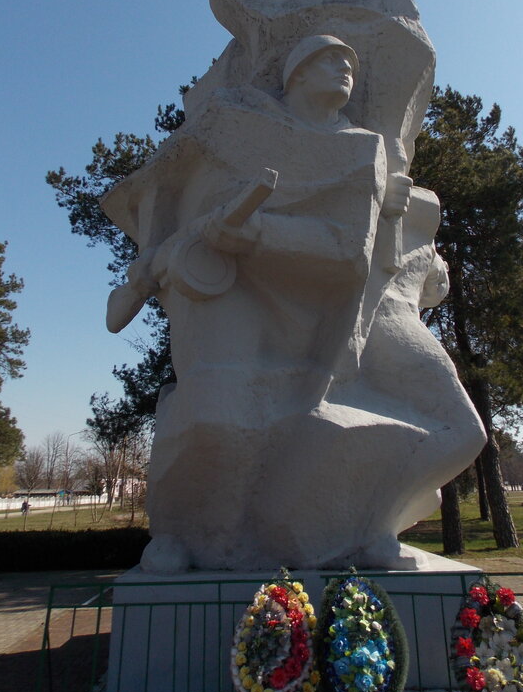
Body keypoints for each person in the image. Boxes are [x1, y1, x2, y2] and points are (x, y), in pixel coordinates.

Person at [104, 34, 485, 572]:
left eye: (351, 60)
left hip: (329, 293)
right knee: (218, 417)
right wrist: (162, 260)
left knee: (462, 429)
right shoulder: (242, 125)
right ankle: (183, 534)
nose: (345, 67)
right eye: (330, 58)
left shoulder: (362, 147)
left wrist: (385, 212)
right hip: (239, 287)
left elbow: (353, 247)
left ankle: (370, 523)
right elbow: (183, 186)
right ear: (295, 73)